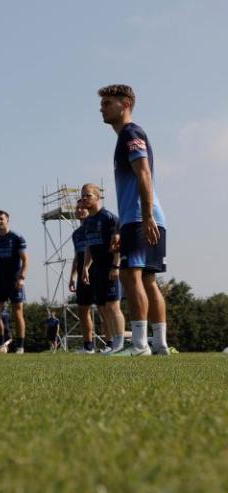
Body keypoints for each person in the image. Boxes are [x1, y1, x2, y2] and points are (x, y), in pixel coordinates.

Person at [98, 84, 170, 356]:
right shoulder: (126, 136)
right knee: (149, 280)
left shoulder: (131, 133)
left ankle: (140, 344)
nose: (102, 108)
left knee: (131, 275)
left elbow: (144, 175)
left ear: (125, 104)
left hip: (142, 218)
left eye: (107, 103)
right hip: (142, 218)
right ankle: (160, 344)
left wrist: (146, 216)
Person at [79, 183, 126, 354]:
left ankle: (120, 344)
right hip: (96, 269)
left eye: (88, 195)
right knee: (103, 308)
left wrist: (116, 265)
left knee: (113, 306)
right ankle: (112, 343)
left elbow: (118, 244)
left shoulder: (108, 217)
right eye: (83, 195)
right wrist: (85, 268)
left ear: (98, 197)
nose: (84, 198)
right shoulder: (87, 222)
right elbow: (89, 247)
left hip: (110, 267)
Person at [0, 210, 28, 354]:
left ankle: (20, 346)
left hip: (15, 281)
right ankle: (1, 345)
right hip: (0, 281)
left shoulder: (17, 238)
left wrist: (22, 277)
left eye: (1, 219)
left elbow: (25, 260)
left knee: (18, 314)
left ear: (7, 220)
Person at [69, 202, 96, 353]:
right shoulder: (76, 233)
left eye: (82, 208)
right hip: (81, 275)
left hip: (96, 271)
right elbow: (77, 257)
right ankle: (88, 346)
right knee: (83, 310)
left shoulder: (96, 227)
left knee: (104, 308)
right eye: (77, 208)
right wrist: (72, 276)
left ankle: (111, 344)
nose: (79, 210)